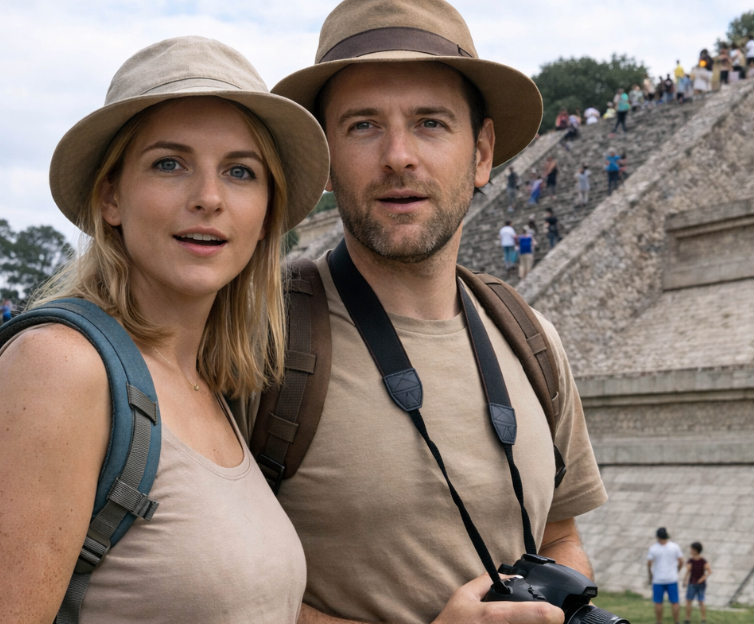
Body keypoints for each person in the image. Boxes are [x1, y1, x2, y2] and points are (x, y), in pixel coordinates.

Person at [251, 1, 609, 623]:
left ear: (481, 152)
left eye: (431, 123)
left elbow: (558, 537)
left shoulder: (530, 340)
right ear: (325, 159)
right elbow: (197, 591)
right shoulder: (257, 338)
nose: (398, 156)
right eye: (363, 125)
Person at [1, 36, 330, 623]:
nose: (208, 198)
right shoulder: (60, 367)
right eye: (169, 164)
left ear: (264, 218)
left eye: (240, 171)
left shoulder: (215, 387)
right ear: (111, 198)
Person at [647, 527, 685, 624]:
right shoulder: (675, 546)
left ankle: (659, 622)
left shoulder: (653, 548)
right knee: (675, 602)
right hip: (672, 578)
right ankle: (676, 621)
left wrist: (650, 575)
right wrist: (677, 570)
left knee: (658, 602)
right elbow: (681, 561)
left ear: (657, 537)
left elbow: (649, 563)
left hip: (658, 579)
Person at [684, 542, 712, 624]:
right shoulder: (703, 560)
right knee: (700, 601)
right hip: (699, 584)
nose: (690, 551)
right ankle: (703, 619)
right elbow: (709, 571)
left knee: (690, 601)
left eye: (692, 549)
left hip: (693, 583)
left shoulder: (691, 561)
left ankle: (688, 619)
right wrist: (703, 578)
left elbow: (688, 571)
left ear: (696, 550)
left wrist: (685, 579)